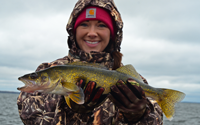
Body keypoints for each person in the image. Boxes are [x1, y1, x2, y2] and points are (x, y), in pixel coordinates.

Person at [17, 0, 163, 124]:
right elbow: (29, 117)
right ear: (73, 31)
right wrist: (74, 111)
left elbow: (157, 120)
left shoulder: (133, 79)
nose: (92, 33)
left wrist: (138, 116)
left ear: (113, 34)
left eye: (101, 25)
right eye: (84, 24)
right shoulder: (49, 68)